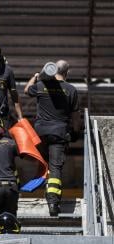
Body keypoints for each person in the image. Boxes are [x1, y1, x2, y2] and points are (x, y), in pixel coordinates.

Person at [24, 60, 80, 216]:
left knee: (43, 162)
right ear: (67, 73)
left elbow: (27, 90)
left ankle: (34, 187)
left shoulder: (42, 86)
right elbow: (76, 117)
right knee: (55, 167)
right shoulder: (71, 90)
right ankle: (53, 203)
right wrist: (75, 132)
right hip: (59, 134)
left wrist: (35, 77)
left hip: (40, 134)